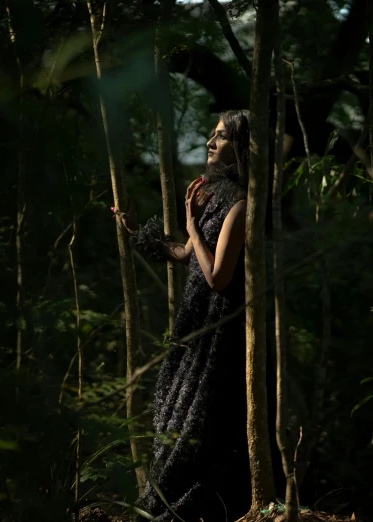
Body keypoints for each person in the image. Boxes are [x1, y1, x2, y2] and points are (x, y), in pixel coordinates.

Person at [111, 110, 252, 522]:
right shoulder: (215, 197)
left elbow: (220, 278)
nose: (211, 142)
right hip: (193, 324)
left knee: (198, 423)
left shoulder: (241, 206)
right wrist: (137, 233)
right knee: (174, 410)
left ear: (239, 148)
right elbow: (184, 255)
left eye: (221, 136)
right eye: (211, 134)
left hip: (218, 330)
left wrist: (191, 224)